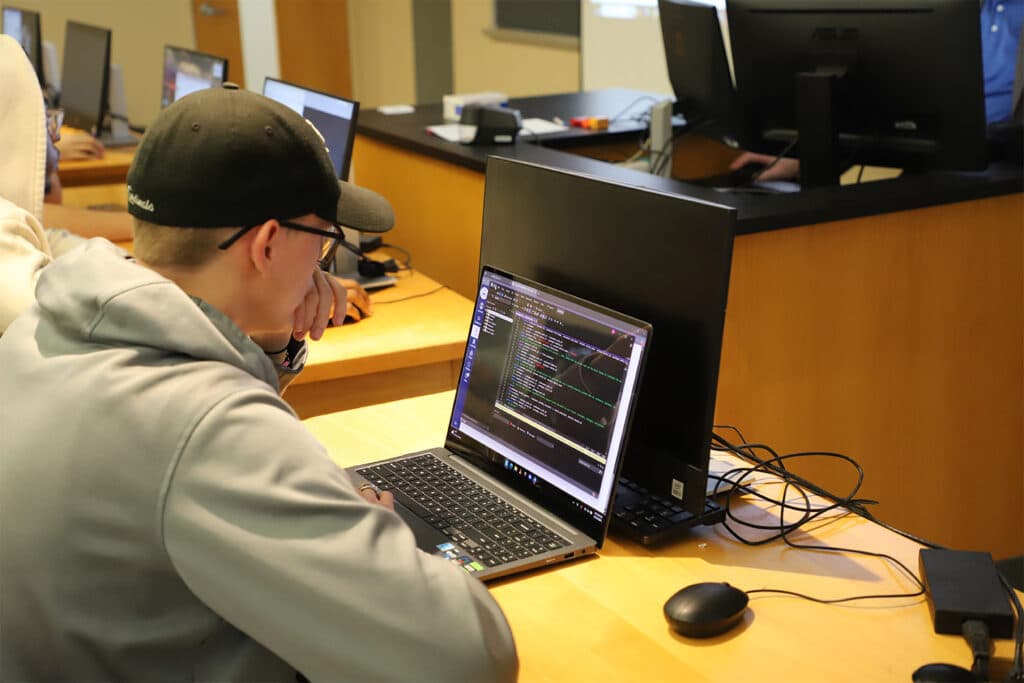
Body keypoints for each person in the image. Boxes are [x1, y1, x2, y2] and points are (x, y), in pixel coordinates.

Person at [0, 85, 519, 681]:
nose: (326, 265)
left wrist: (269, 340)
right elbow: (470, 657)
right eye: (326, 241)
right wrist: (364, 526)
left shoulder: (49, 321)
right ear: (268, 243)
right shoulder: (205, 427)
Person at [729, 2, 1024, 181]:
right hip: (937, 174)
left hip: (1002, 178)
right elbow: (909, 111)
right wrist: (813, 154)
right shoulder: (959, 10)